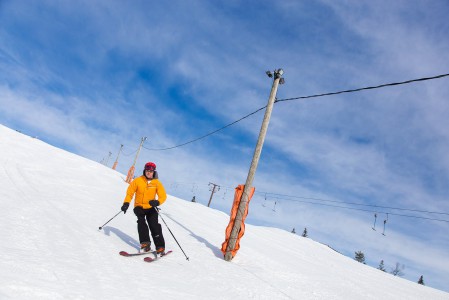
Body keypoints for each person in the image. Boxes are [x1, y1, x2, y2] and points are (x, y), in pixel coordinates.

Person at [120, 162, 167, 253]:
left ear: (154, 172)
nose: (148, 172)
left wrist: (157, 202)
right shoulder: (138, 180)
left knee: (154, 225)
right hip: (139, 206)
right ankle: (145, 243)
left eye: (150, 171)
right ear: (144, 171)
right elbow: (130, 193)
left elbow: (163, 196)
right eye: (147, 170)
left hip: (151, 207)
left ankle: (160, 247)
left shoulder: (157, 183)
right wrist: (126, 203)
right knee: (141, 221)